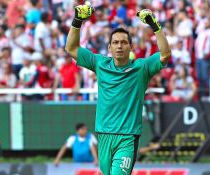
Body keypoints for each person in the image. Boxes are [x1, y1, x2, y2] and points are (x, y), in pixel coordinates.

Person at [65, 3, 171, 174]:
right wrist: (77, 20)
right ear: (110, 47)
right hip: (104, 134)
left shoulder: (141, 68)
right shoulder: (100, 63)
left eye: (123, 42)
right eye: (115, 43)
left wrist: (154, 26)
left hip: (127, 137)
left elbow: (165, 54)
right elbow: (71, 48)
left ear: (131, 47)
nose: (119, 46)